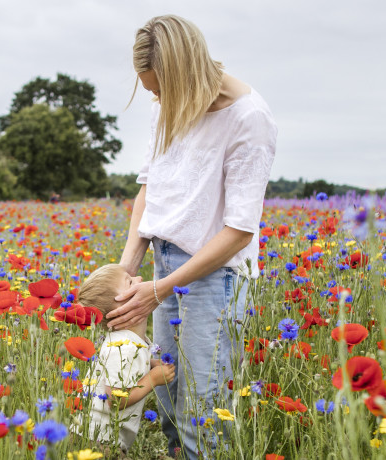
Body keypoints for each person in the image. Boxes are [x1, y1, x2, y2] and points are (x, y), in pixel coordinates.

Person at [106, 15, 277, 460]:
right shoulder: (166, 103)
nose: (157, 100)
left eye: (161, 90)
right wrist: (127, 270)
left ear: (186, 75)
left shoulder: (249, 119)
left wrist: (159, 289)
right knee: (166, 396)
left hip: (212, 275)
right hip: (162, 265)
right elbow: (150, 188)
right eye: (152, 93)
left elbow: (240, 231)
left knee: (201, 407)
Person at [77, 264, 176, 451]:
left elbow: (128, 371)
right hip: (99, 438)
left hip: (102, 435)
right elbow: (116, 399)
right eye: (130, 282)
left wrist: (150, 364)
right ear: (120, 308)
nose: (139, 279)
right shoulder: (123, 347)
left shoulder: (129, 342)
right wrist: (153, 379)